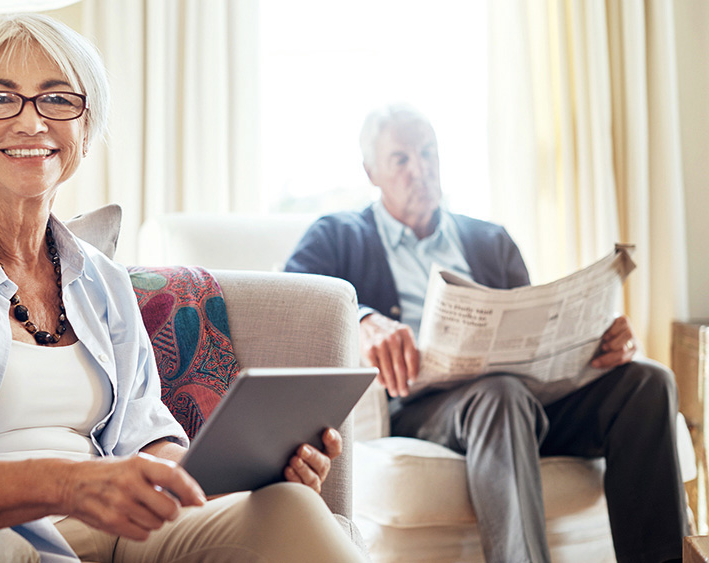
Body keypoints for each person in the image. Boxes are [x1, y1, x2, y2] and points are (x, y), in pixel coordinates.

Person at [0, 13, 364, 563]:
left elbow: (148, 440)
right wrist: (71, 485)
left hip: (123, 528)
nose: (30, 122)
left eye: (57, 99)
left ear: (85, 133)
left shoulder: (103, 281)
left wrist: (253, 469)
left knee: (289, 506)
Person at [284, 103, 689, 563]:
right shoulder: (337, 235)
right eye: (401, 159)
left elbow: (540, 331)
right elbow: (293, 304)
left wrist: (595, 339)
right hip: (425, 407)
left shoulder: (490, 239)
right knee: (501, 393)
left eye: (428, 153)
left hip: (527, 398)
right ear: (370, 171)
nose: (420, 169)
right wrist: (361, 320)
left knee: (648, 381)